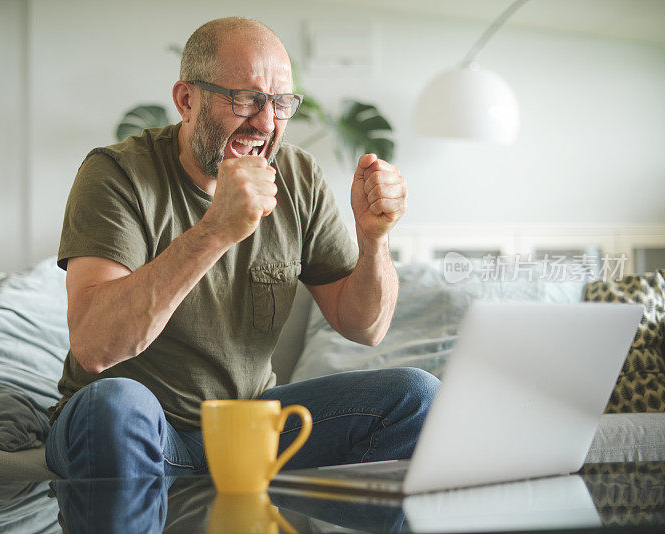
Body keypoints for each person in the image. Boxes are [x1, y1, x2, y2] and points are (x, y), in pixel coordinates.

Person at [45, 16, 439, 480]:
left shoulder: (299, 175)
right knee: (110, 405)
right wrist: (214, 231)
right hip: (137, 428)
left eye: (282, 103)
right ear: (186, 100)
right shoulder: (116, 173)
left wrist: (374, 239)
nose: (267, 122)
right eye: (247, 99)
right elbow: (93, 346)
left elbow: (364, 327)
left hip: (248, 427)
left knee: (417, 396)